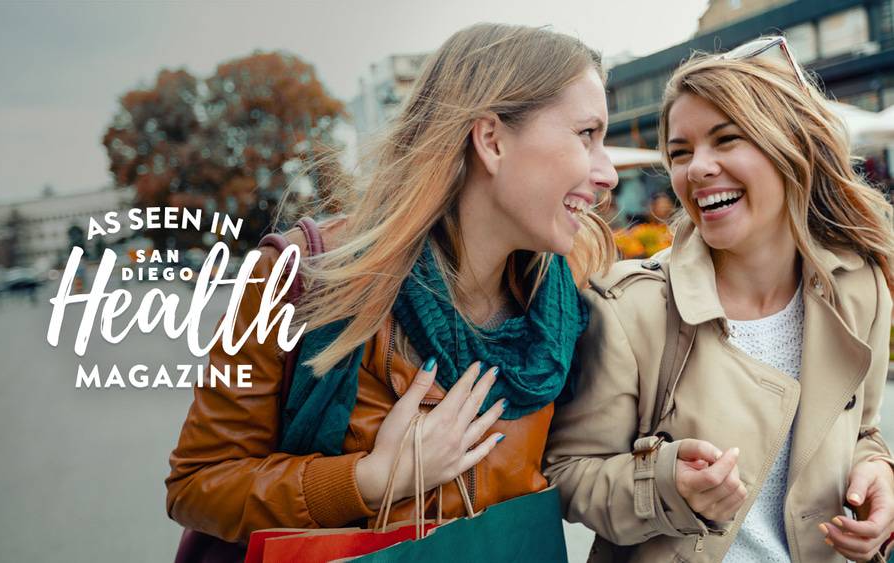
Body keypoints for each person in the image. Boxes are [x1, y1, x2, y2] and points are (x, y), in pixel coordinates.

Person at [166, 23, 618, 546]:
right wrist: (373, 479)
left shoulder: (567, 306)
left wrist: (665, 481)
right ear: (492, 140)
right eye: (586, 135)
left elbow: (582, 467)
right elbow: (196, 485)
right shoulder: (302, 277)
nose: (606, 172)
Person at [545, 36, 894, 562]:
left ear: (789, 147)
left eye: (726, 140)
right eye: (680, 152)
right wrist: (665, 484)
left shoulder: (857, 285)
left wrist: (879, 474)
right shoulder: (628, 307)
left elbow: (861, 428)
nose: (697, 169)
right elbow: (569, 476)